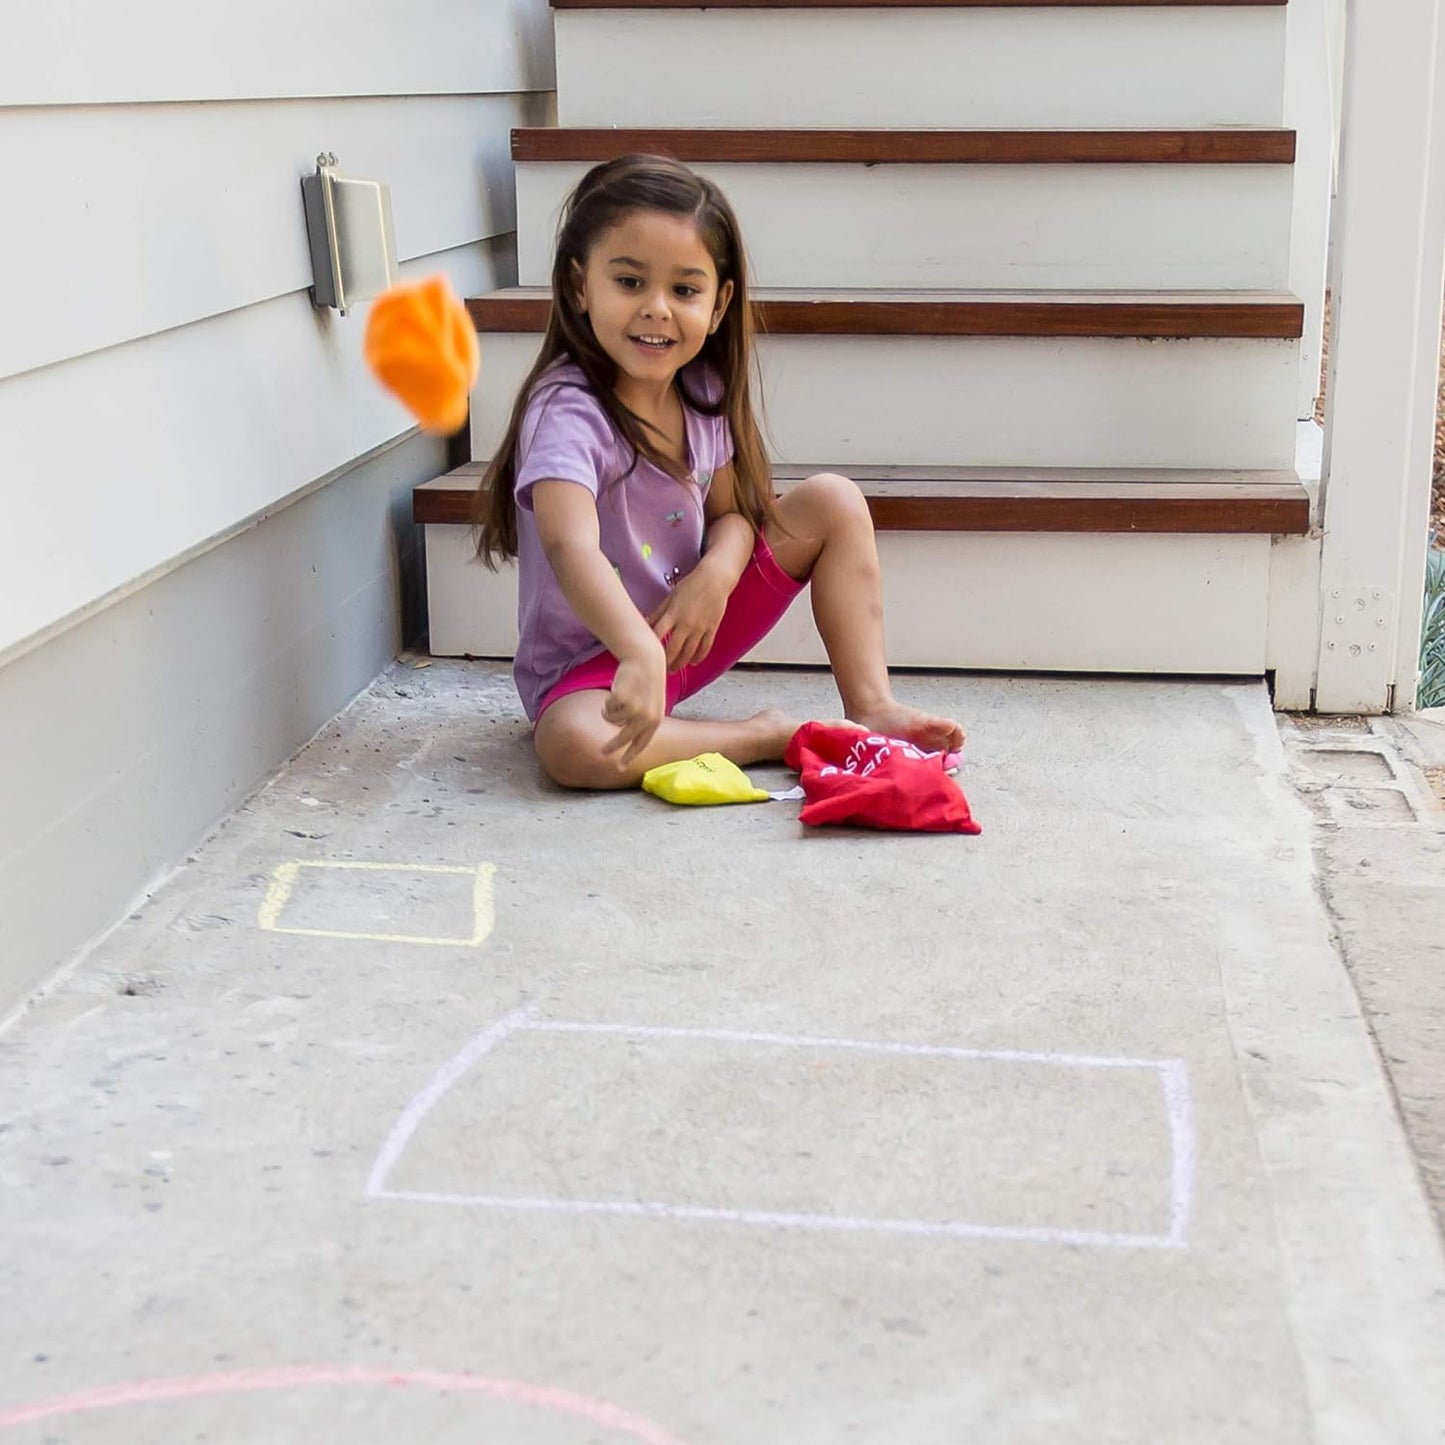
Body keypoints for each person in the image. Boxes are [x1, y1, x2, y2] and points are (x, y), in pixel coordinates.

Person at [474, 154, 964, 790]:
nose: (657, 309)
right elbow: (571, 545)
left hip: (687, 631)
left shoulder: (703, 392)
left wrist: (717, 572)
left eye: (684, 290)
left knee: (833, 502)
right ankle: (762, 735)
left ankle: (871, 704)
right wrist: (638, 650)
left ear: (719, 302)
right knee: (575, 747)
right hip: (596, 668)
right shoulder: (567, 410)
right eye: (629, 282)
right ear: (578, 287)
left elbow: (734, 514)